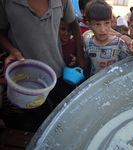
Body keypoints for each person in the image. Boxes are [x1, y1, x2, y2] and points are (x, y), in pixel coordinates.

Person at [0, 0, 82, 131]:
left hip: (59, 73)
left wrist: (81, 57)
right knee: (41, 123)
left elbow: (76, 27)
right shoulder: (7, 3)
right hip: (28, 80)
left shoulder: (62, 1)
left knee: (66, 117)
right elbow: (1, 33)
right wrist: (12, 50)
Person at [84, 0, 133, 76]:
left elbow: (129, 64)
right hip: (96, 84)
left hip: (114, 83)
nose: (102, 29)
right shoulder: (88, 43)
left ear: (111, 22)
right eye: (97, 24)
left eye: (106, 23)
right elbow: (87, 61)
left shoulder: (118, 43)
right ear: (89, 25)